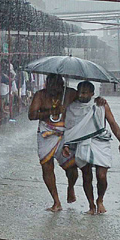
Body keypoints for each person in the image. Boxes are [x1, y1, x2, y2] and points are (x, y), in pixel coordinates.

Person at [58, 81, 120, 215]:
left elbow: (112, 123)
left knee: (101, 176)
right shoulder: (72, 107)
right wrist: (66, 144)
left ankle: (100, 200)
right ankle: (91, 205)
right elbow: (69, 128)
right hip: (82, 143)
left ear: (92, 93)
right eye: (80, 92)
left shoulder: (100, 104)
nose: (81, 95)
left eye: (84, 92)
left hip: (101, 141)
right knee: (87, 175)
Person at [28, 73, 73, 212]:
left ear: (62, 85)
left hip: (65, 133)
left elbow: (86, 100)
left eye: (56, 85)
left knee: (72, 168)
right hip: (46, 133)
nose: (53, 89)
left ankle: (71, 187)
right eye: (50, 85)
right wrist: (51, 111)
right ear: (47, 84)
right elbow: (31, 115)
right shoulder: (40, 95)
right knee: (46, 166)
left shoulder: (70, 93)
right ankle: (56, 201)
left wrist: (100, 101)